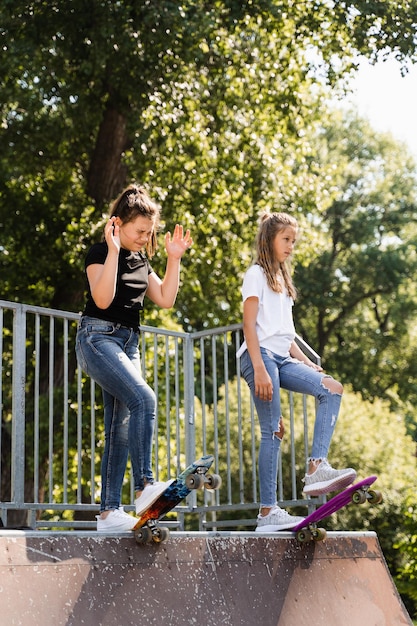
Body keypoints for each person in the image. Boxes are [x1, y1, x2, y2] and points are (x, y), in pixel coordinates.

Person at [75, 183, 192, 532]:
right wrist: (113, 250)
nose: (145, 238)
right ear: (118, 224)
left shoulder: (143, 261)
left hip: (129, 344)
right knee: (144, 398)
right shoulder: (98, 253)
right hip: (98, 337)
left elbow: (165, 298)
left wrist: (173, 259)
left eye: (149, 232)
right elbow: (102, 298)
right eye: (140, 231)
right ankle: (145, 486)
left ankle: (109, 512)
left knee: (120, 428)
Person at [237, 212, 356, 532]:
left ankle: (317, 466)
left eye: (293, 241)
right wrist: (260, 369)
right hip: (258, 356)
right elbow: (249, 326)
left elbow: (285, 335)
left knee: (331, 387)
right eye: (286, 240)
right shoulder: (256, 274)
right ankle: (267, 513)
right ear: (269, 240)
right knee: (273, 430)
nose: (291, 246)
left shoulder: (283, 281)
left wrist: (305, 361)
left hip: (282, 357)